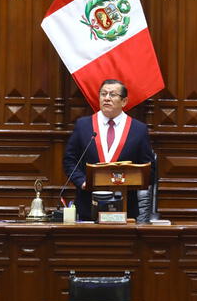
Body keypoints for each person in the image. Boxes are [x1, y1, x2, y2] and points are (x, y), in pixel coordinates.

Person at [64, 79, 155, 220]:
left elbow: (150, 170)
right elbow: (69, 160)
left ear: (124, 101)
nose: (106, 98)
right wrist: (82, 181)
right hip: (87, 207)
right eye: (103, 94)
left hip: (125, 209)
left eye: (112, 94)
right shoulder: (83, 125)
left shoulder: (138, 129)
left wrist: (130, 182)